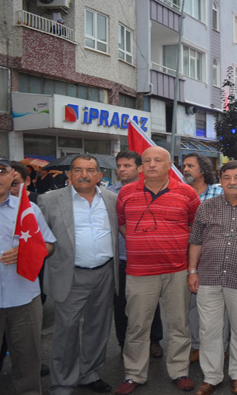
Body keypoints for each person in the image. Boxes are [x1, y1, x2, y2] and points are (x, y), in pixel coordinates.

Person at [115, 146, 201, 395]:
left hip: (176, 270)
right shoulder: (126, 193)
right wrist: (141, 243)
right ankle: (134, 374)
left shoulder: (186, 192)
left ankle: (179, 371)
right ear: (141, 167)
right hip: (139, 272)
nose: (152, 164)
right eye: (147, 161)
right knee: (137, 326)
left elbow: (195, 228)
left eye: (158, 160)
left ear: (168, 165)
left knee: (179, 324)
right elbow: (123, 224)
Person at [39, 154, 120, 394]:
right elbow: (39, 238)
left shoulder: (112, 199)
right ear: (69, 174)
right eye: (78, 170)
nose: (84, 175)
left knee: (99, 327)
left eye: (90, 170)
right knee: (66, 330)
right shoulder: (49, 200)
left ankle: (89, 373)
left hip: (104, 273)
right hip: (70, 274)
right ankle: (63, 382)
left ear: (99, 175)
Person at [187, 161, 237, 395]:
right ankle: (211, 376)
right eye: (227, 177)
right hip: (208, 277)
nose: (232, 182)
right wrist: (192, 271)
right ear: (221, 180)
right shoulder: (206, 207)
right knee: (209, 330)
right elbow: (196, 240)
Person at [0, 156, 55, 395]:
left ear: (13, 177)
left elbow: (49, 245)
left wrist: (28, 251)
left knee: (28, 364)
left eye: (1, 171)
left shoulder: (29, 210)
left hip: (24, 299)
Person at [107, 150, 164, 359]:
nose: (122, 169)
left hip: (147, 258)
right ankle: (124, 343)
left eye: (127, 165)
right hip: (121, 258)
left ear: (139, 169)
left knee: (151, 302)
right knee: (121, 302)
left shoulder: (151, 190)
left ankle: (154, 340)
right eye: (119, 166)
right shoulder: (109, 194)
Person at [181, 152, 224, 364]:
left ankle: (222, 347)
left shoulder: (219, 192)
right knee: (192, 306)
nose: (185, 169)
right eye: (184, 166)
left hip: (214, 258)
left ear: (202, 170)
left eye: (190, 165)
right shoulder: (179, 193)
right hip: (187, 258)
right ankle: (198, 346)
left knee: (218, 305)